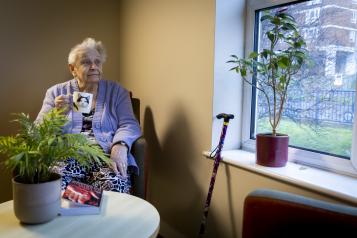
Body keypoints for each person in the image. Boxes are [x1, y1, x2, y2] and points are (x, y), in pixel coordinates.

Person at [36, 38, 142, 193]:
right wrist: (56, 116)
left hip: (105, 156)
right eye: (86, 62)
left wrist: (120, 145)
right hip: (67, 156)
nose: (94, 67)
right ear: (73, 69)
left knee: (115, 186)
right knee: (51, 188)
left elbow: (130, 124)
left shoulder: (117, 91)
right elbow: (37, 132)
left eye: (97, 62)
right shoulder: (56, 93)